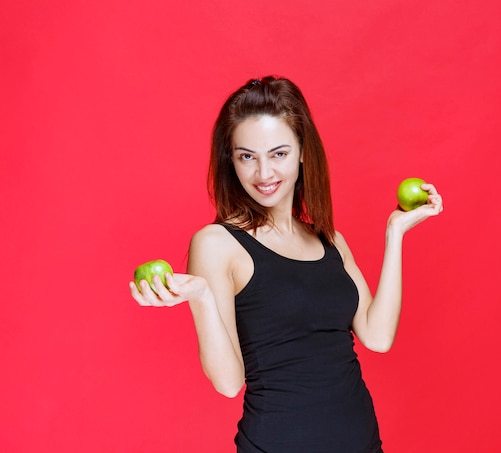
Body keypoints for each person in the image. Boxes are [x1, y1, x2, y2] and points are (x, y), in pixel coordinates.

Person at [129, 75, 443, 452]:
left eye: (278, 153)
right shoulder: (217, 243)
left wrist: (396, 233)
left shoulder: (329, 241)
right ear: (232, 160)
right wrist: (202, 297)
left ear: (302, 151)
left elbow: (377, 337)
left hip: (362, 442)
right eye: (247, 156)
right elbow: (228, 384)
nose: (263, 174)